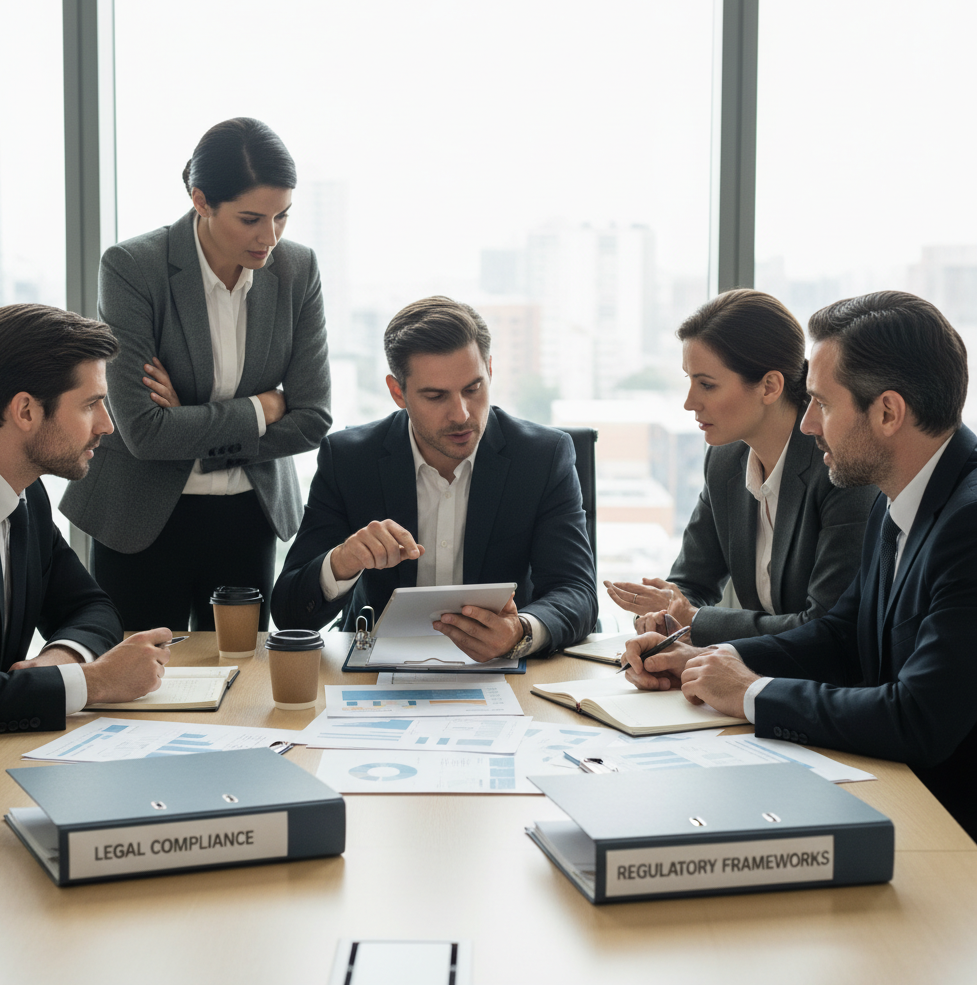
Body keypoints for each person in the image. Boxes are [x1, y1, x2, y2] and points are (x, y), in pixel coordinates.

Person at [623, 291, 977, 838]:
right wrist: (701, 659)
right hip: (897, 794)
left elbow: (919, 718)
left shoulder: (968, 523)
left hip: (947, 828)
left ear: (887, 412)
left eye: (823, 404)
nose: (808, 424)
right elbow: (840, 635)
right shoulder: (899, 491)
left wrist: (750, 692)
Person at [61, 117, 332, 631]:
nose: (268, 237)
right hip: (140, 518)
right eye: (251, 218)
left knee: (240, 688)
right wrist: (261, 408)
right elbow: (142, 432)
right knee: (138, 692)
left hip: (249, 517)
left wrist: (187, 420)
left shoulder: (298, 270)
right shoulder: (133, 268)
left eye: (282, 217)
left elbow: (313, 418)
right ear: (201, 200)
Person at [271, 296, 598, 660]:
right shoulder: (349, 460)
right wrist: (342, 562)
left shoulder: (541, 458)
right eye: (435, 396)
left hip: (503, 669)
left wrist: (519, 631)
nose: (461, 414)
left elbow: (576, 591)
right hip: (376, 671)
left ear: (490, 370)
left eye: (473, 389)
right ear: (398, 392)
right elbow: (287, 612)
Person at [606, 289, 878, 645]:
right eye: (689, 380)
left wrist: (695, 620)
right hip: (753, 675)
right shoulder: (725, 461)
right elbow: (691, 584)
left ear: (769, 386)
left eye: (706, 384)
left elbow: (824, 627)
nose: (690, 402)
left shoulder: (839, 469)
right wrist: (663, 620)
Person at [0, 304, 172, 739]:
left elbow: (90, 607)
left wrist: (59, 661)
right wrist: (92, 682)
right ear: (26, 411)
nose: (107, 425)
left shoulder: (27, 494)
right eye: (91, 404)